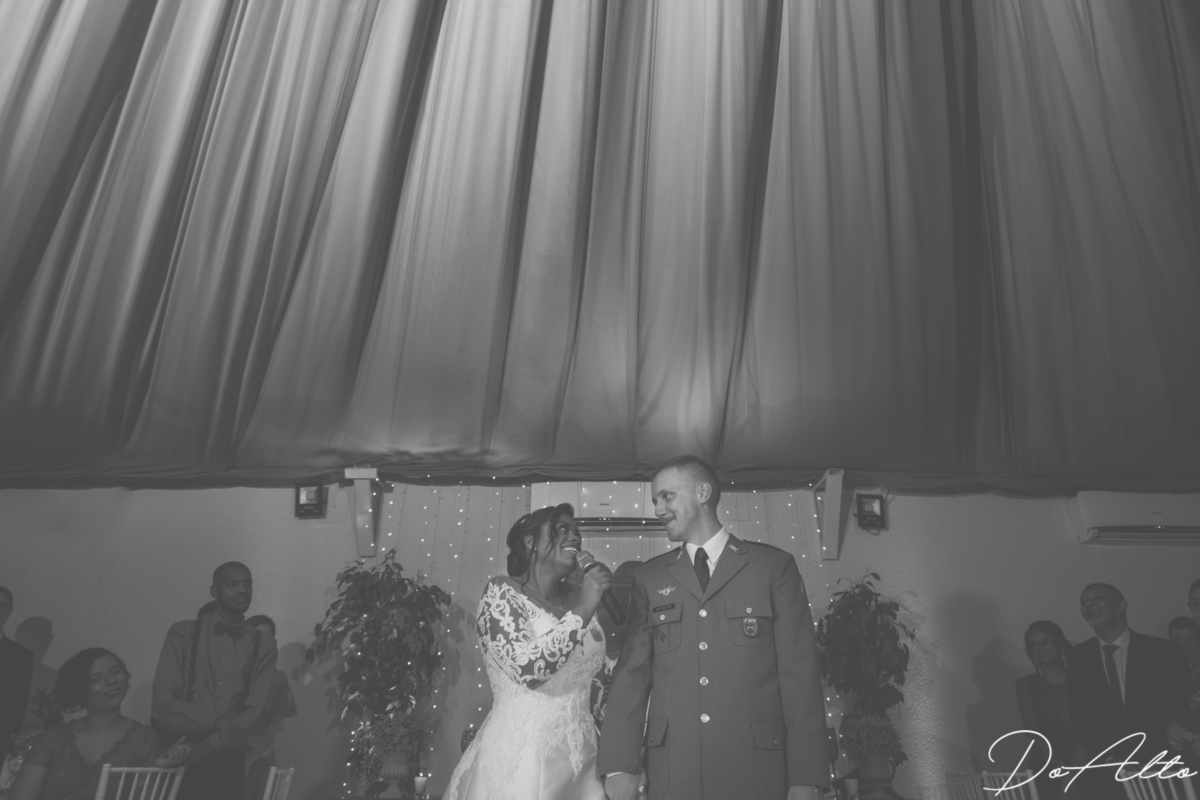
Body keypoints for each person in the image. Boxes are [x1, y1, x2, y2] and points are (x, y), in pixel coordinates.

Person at [597, 456, 828, 800]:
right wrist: (619, 766)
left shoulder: (773, 567)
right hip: (673, 773)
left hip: (756, 773)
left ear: (703, 492)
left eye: (667, 496)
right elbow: (631, 676)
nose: (658, 509)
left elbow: (800, 677)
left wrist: (806, 778)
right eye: (655, 500)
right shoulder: (650, 577)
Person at [443, 504, 612, 800]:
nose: (575, 537)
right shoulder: (502, 592)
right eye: (562, 529)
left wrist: (621, 757)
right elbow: (529, 669)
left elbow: (597, 687)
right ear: (530, 542)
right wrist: (586, 605)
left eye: (577, 533)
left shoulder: (582, 602)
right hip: (524, 759)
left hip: (585, 763)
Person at [152, 562, 277, 800]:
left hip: (228, 753)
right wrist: (218, 723)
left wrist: (211, 744)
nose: (243, 590)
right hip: (180, 748)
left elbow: (256, 708)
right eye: (233, 584)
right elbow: (164, 703)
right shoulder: (183, 633)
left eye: (247, 583)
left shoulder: (265, 644)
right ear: (214, 591)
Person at [9, 648, 189, 800]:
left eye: (115, 671)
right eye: (96, 678)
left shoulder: (146, 740)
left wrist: (159, 769)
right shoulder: (53, 739)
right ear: (80, 689)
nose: (111, 681)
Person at [1065, 583, 1190, 800]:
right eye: (1084, 602)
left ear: (1121, 605)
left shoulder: (1163, 651)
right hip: (1112, 775)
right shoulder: (1078, 658)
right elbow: (1081, 717)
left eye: (1097, 598)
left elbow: (1182, 703)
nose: (1089, 604)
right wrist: (1105, 759)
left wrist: (1173, 726)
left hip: (1164, 767)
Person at [1014, 621, 1079, 799]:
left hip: (1086, 759)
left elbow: (1093, 727)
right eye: (1033, 644)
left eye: (1046, 642)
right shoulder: (1025, 685)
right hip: (1046, 763)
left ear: (1060, 643)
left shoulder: (1082, 680)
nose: (1040, 648)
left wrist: (1074, 769)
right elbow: (1033, 732)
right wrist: (1062, 769)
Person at [241, 615, 297, 800]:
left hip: (257, 757)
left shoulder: (277, 678)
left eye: (268, 638)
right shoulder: (231, 675)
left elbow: (276, 724)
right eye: (256, 636)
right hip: (231, 751)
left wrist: (249, 757)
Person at [1, 587, 34, 762]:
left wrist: (7, 748)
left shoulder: (22, 657)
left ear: (10, 610)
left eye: (3, 605)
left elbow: (16, 708)